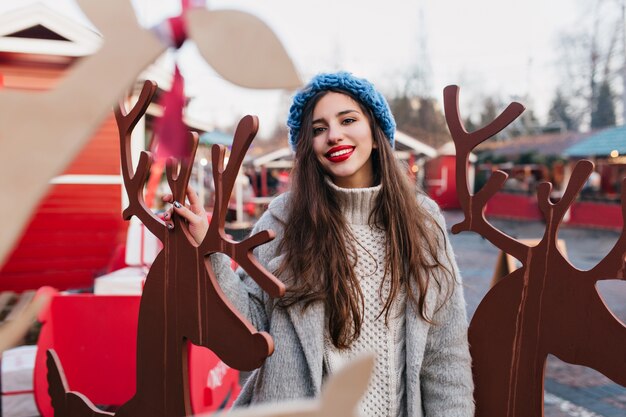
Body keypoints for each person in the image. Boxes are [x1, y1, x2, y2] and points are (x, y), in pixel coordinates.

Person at [164, 72, 474, 417]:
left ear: (376, 134)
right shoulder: (285, 219)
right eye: (319, 128)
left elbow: (446, 355)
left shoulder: (422, 222)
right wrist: (211, 251)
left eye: (348, 120)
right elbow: (249, 322)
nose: (334, 135)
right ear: (308, 148)